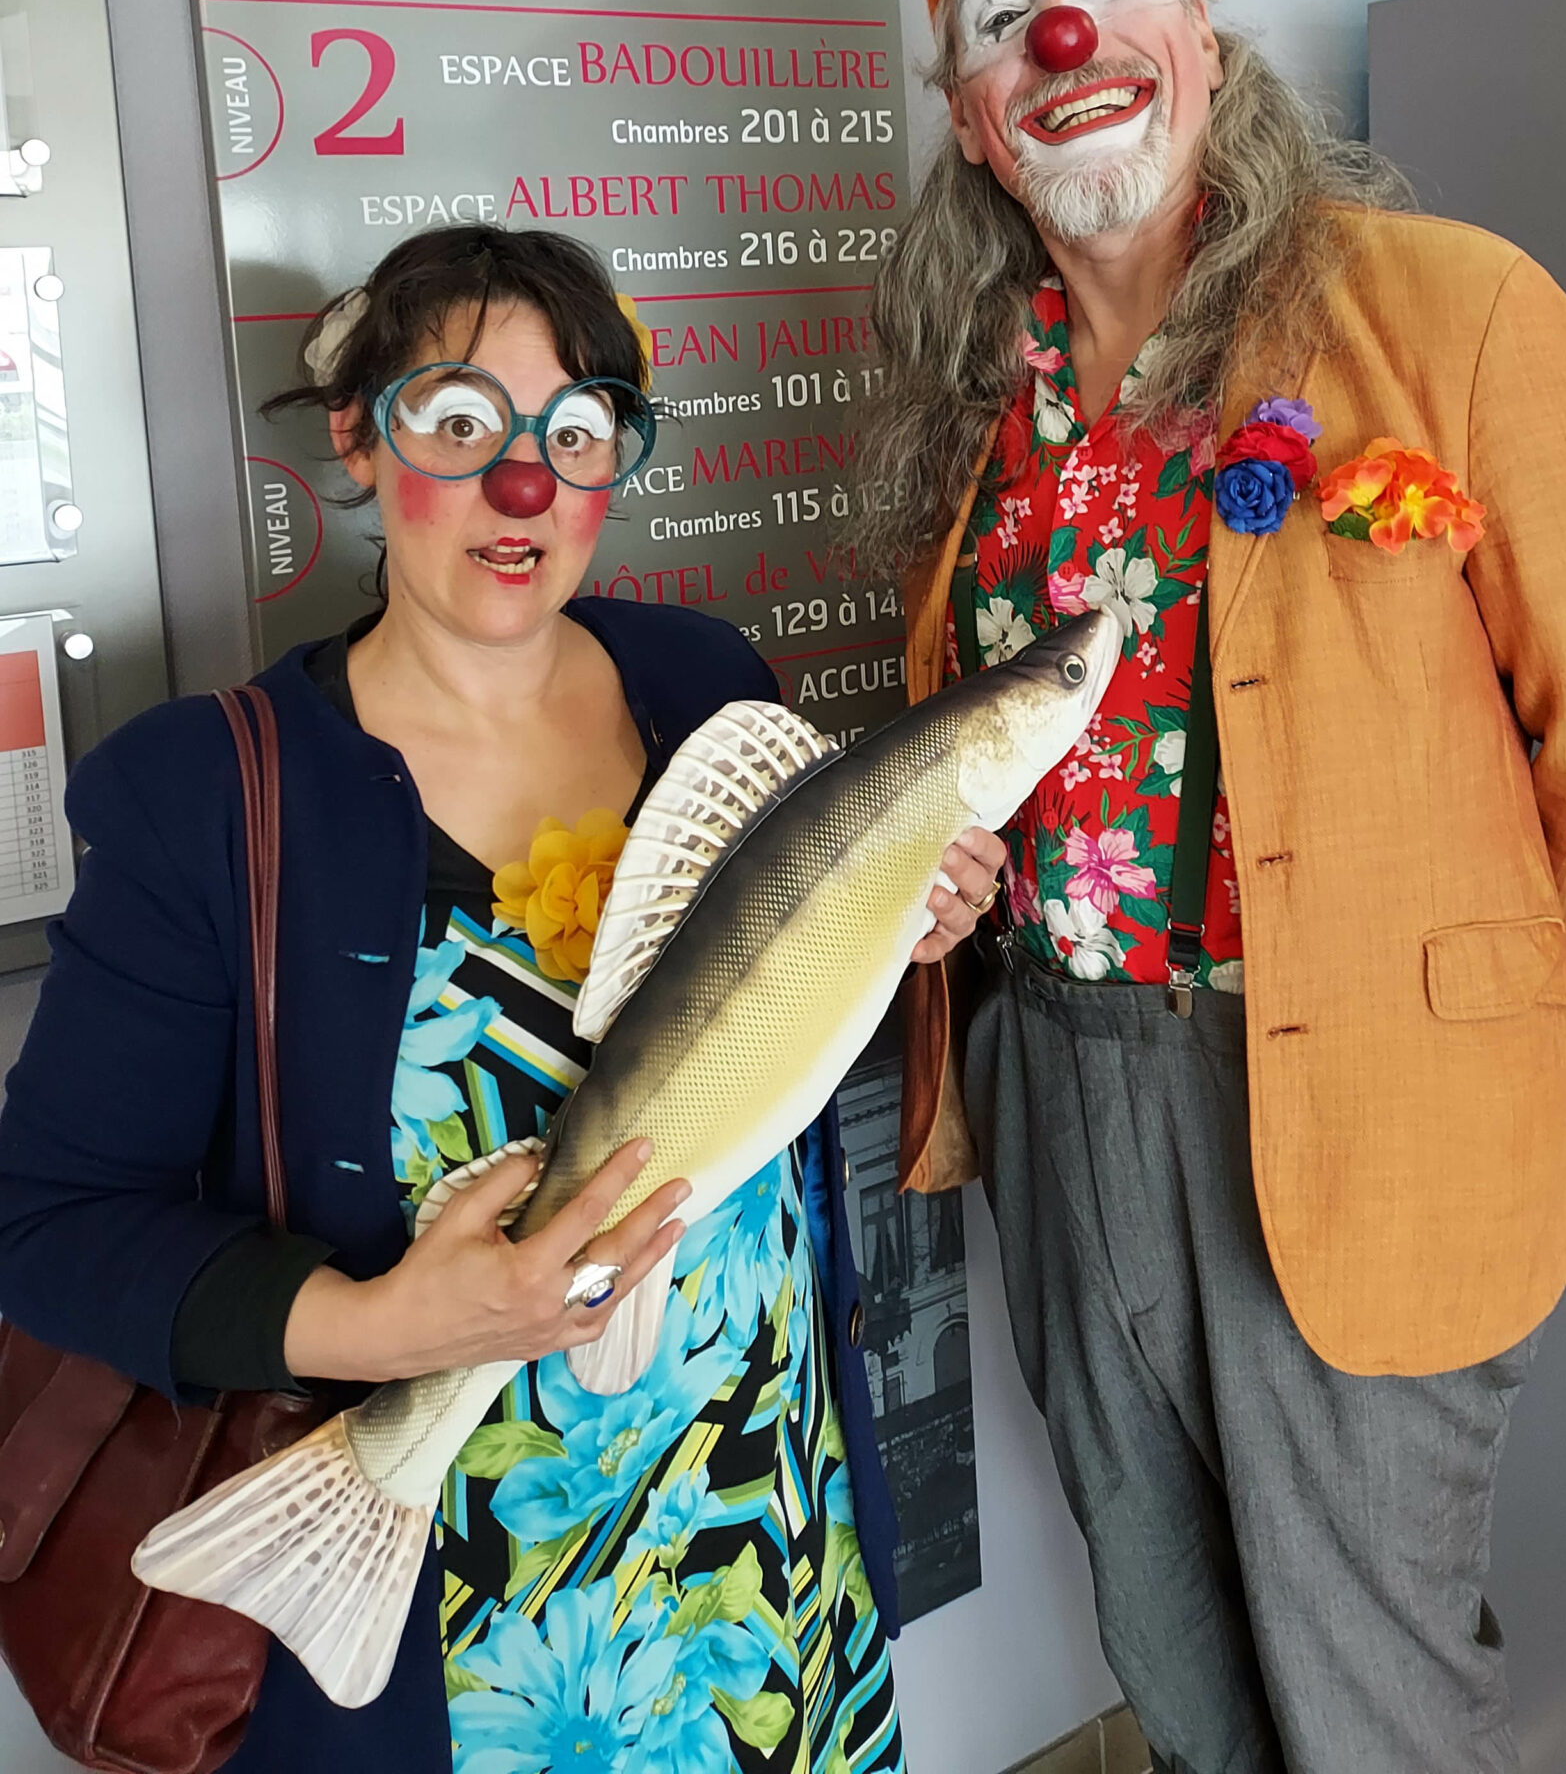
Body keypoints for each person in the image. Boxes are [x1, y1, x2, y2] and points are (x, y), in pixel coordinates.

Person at [863, 0, 1566, 1774]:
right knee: (1172, 1654)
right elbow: (1002, 749)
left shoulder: (1450, 311)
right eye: (1002, 17)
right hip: (1057, 1087)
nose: (1063, 29)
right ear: (977, 122)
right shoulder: (984, 411)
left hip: (1344, 1103)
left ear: (1201, 32)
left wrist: (1479, 1012)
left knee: (1372, 1700)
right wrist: (959, 878)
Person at [0, 224, 1002, 1774]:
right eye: (460, 422)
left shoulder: (705, 685)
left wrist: (901, 926)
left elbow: (750, 1047)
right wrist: (381, 1320)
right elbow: (49, 1228)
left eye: (573, 432)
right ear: (358, 437)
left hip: (769, 1542)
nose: (522, 486)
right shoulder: (208, 794)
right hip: (466, 1635)